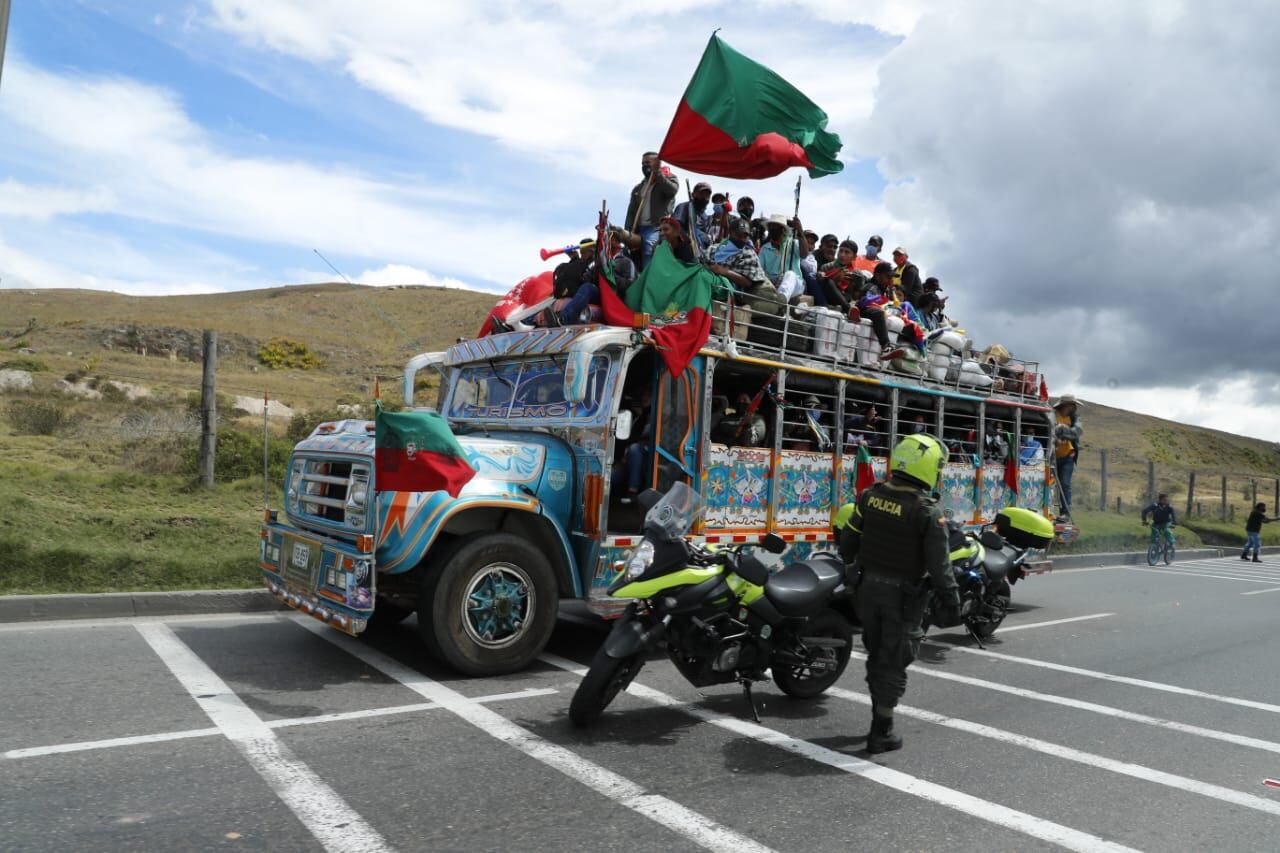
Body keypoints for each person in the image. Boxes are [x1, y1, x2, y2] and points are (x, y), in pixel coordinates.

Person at [832, 433, 962, 754]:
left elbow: (848, 541)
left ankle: (879, 715)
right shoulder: (926, 512)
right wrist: (952, 601)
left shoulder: (870, 497)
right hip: (902, 599)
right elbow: (940, 566)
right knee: (893, 661)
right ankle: (882, 730)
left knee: (877, 654)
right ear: (929, 467)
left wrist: (851, 570)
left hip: (867, 592)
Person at [707, 217, 784, 316]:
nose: (742, 239)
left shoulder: (748, 253)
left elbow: (748, 282)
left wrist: (725, 272)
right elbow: (703, 262)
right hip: (710, 278)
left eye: (745, 236)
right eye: (739, 235)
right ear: (731, 233)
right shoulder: (714, 248)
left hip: (729, 288)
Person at [624, 152, 679, 270]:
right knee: (627, 251)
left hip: (655, 227)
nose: (645, 166)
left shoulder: (669, 178)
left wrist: (658, 173)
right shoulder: (638, 187)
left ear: (656, 163)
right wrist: (627, 230)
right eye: (643, 163)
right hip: (637, 228)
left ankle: (648, 276)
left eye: (648, 163)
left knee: (649, 248)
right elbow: (631, 211)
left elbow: (672, 191)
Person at [757, 215, 814, 303]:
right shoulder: (765, 248)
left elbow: (804, 254)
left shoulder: (793, 244)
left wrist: (800, 230)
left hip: (794, 284)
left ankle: (780, 301)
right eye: (771, 227)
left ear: (783, 229)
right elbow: (760, 270)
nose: (773, 229)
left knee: (790, 275)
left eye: (776, 227)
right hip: (772, 284)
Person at [1052, 395, 1083, 521]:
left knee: (1065, 484)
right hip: (1052, 457)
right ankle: (1048, 510)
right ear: (1064, 405)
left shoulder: (1075, 417)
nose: (1073, 407)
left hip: (1068, 456)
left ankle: (1065, 513)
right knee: (1049, 484)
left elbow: (1078, 431)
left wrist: (1061, 430)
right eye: (1071, 404)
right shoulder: (1052, 415)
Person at [673, 181, 714, 252]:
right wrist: (690, 239)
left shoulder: (705, 216)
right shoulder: (685, 207)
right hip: (683, 247)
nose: (704, 197)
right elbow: (676, 226)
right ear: (693, 194)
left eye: (707, 195)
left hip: (700, 250)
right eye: (701, 194)